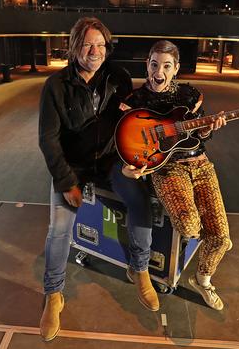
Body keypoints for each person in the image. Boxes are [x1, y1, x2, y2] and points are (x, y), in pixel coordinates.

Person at [38, 17, 158, 342]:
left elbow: (132, 124)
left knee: (139, 200)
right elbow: (48, 140)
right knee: (58, 230)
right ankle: (53, 295)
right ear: (75, 46)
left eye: (101, 45)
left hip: (108, 161)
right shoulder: (56, 86)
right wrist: (65, 182)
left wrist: (133, 162)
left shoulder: (118, 77)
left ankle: (139, 268)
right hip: (72, 165)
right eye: (89, 44)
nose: (96, 51)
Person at [123, 40, 232, 310]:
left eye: (166, 66)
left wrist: (209, 128)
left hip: (202, 164)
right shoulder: (134, 101)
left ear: (176, 69)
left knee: (221, 238)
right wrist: (131, 161)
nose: (159, 71)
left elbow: (201, 133)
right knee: (189, 226)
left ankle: (202, 280)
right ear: (147, 65)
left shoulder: (189, 96)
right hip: (167, 168)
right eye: (154, 64)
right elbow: (127, 137)